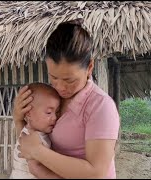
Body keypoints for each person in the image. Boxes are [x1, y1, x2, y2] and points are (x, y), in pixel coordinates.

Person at [13, 18, 120, 179]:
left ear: (89, 67)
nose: (61, 87)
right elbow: (29, 143)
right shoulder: (50, 97)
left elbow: (96, 173)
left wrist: (39, 152)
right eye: (53, 78)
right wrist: (19, 119)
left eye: (70, 80)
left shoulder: (100, 106)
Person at [10, 83, 60, 179]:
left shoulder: (35, 132)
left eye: (57, 112)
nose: (54, 117)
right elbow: (35, 169)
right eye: (49, 112)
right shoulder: (32, 137)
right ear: (28, 113)